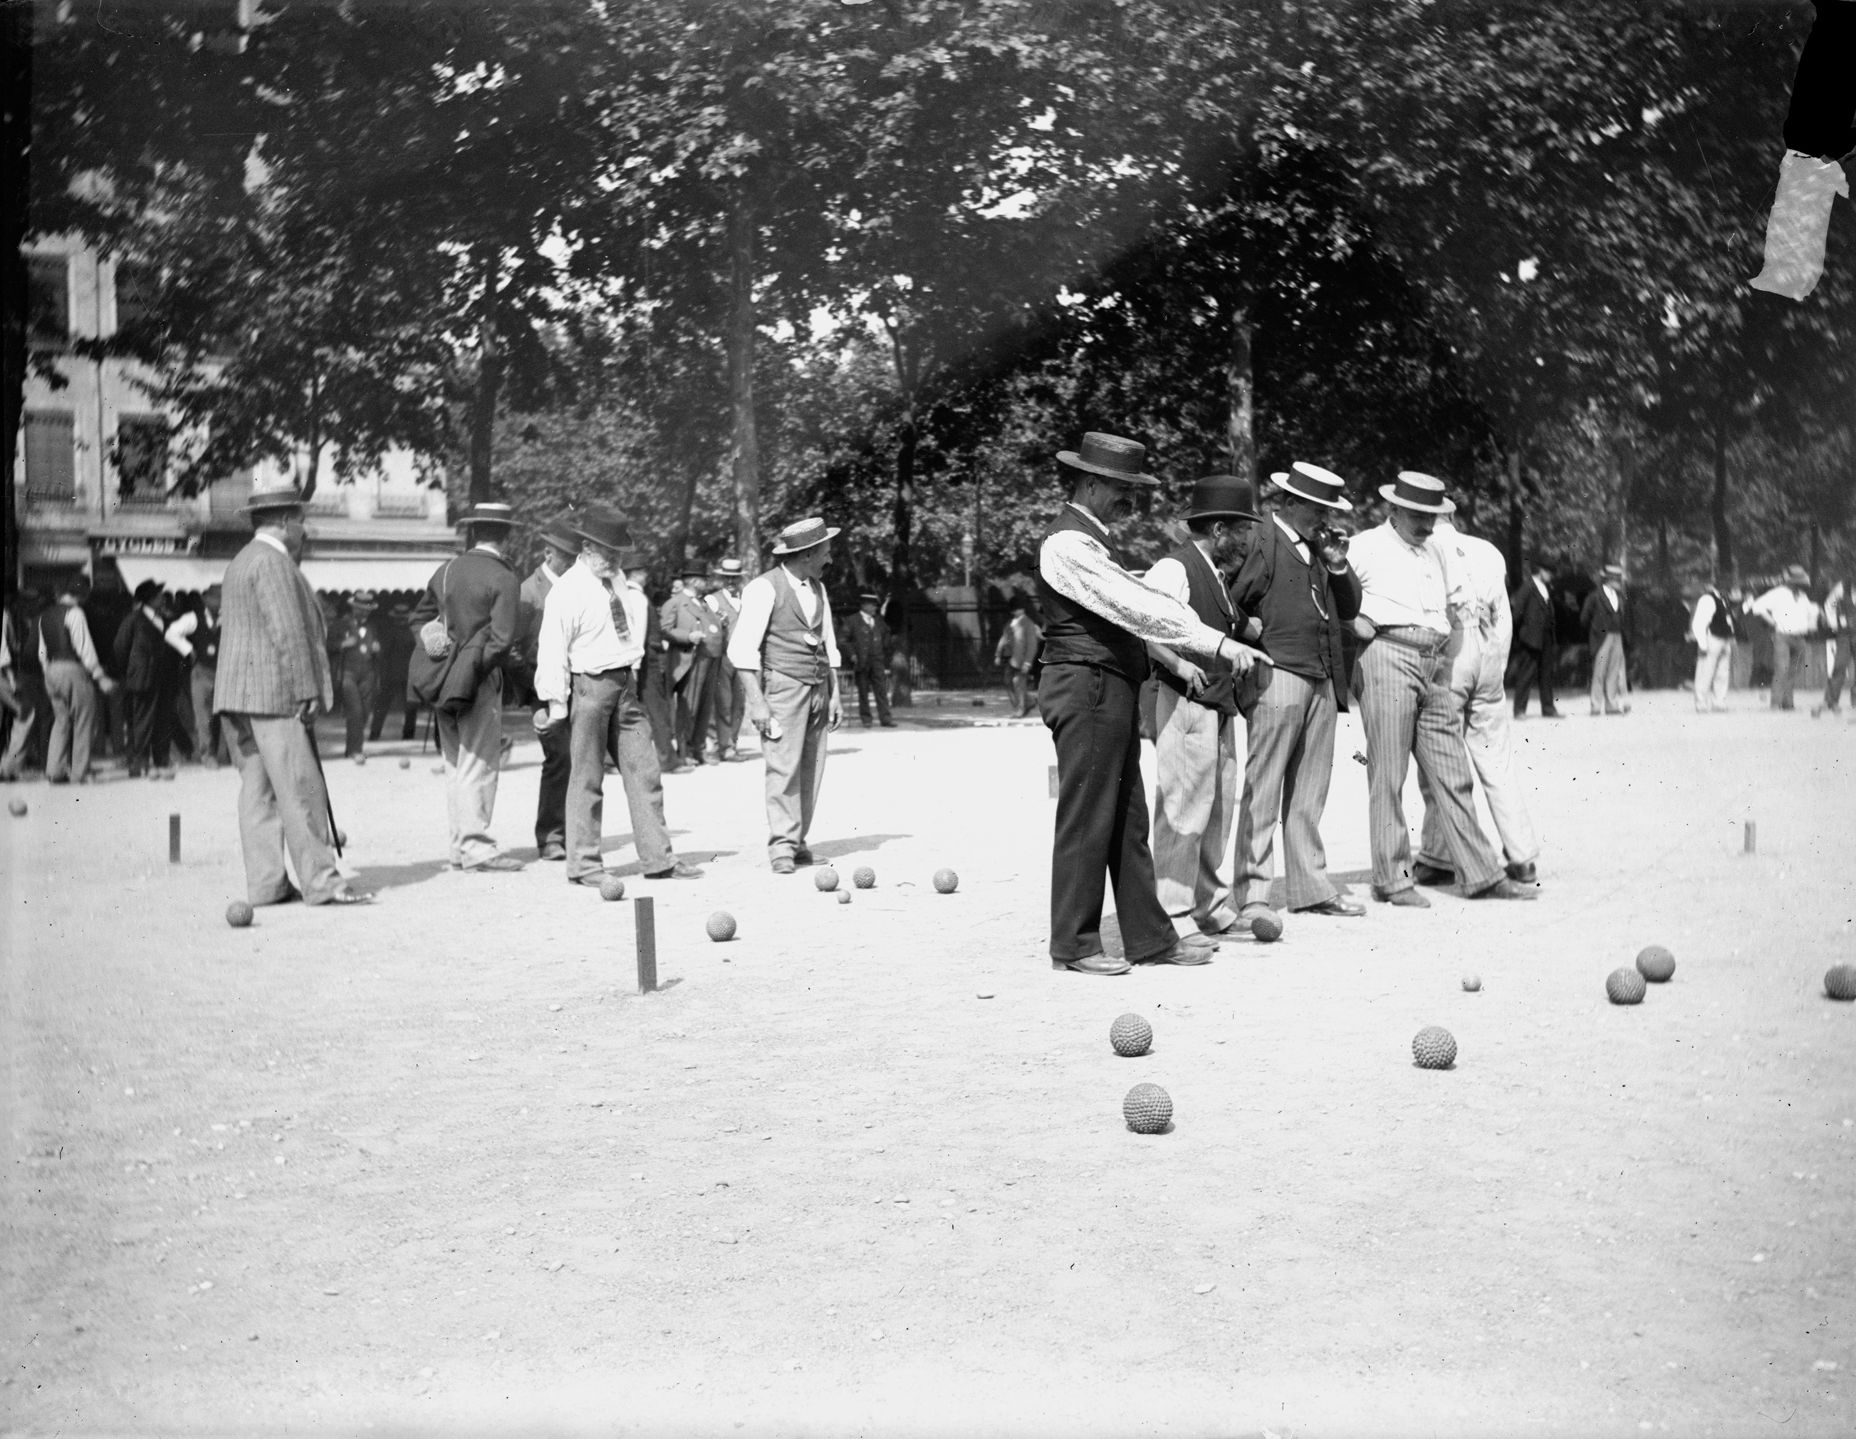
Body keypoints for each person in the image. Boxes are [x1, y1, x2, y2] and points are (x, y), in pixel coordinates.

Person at [1036, 432, 1258, 975]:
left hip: (1107, 687)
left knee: (1127, 818)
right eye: (1120, 487)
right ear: (1089, 482)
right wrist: (1217, 642)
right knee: (1088, 817)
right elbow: (1137, 606)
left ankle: (1150, 939)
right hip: (1084, 685)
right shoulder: (1067, 545)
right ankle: (1075, 942)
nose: (1130, 499)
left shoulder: (1093, 542)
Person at [1348, 471, 1535, 907]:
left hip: (1436, 661)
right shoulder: (1365, 547)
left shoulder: (1436, 549)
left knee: (1453, 771)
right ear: (1392, 509)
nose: (1426, 524)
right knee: (1389, 773)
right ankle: (1392, 880)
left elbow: (1452, 604)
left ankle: (1483, 874)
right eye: (1417, 514)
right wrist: (1349, 622)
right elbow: (1326, 591)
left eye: (1432, 515)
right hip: (1388, 655)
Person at [214, 486, 371, 906]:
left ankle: (267, 884)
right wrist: (304, 689)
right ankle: (322, 881)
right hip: (273, 693)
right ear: (285, 522)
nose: (304, 530)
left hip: (237, 694)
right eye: (301, 521)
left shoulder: (241, 561)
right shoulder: (273, 563)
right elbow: (288, 632)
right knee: (301, 788)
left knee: (258, 792)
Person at [1227, 464, 1365, 929]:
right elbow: (1229, 600)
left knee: (1309, 792)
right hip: (1277, 674)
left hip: (1323, 677)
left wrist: (1337, 563)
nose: (1325, 518)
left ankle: (1309, 888)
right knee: (1263, 788)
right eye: (1320, 509)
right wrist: (1247, 633)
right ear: (1292, 503)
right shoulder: (1259, 538)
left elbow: (1350, 609)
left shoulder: (1320, 548)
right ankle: (1252, 896)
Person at [534, 508, 699, 887]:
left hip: (626, 686)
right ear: (587, 547)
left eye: (620, 552)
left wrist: (635, 674)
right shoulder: (567, 590)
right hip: (589, 687)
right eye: (609, 551)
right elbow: (552, 649)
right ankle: (585, 865)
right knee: (587, 777)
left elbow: (627, 632)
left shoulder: (617, 580)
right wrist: (556, 703)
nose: (616, 559)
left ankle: (659, 859)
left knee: (646, 771)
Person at [1142, 474, 1267, 941]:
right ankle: (1172, 912)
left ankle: (1211, 906)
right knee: (1183, 806)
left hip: (1218, 704)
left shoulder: (1214, 574)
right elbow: (1147, 627)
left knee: (1216, 808)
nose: (1245, 539)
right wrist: (1176, 662)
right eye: (1239, 530)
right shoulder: (1173, 569)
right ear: (1217, 530)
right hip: (1185, 701)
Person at [1412, 514, 1541, 891]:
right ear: (1452, 516)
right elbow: (1501, 617)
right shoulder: (1488, 551)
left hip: (1452, 654)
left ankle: (1438, 856)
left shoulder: (1425, 549)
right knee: (1496, 759)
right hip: (1488, 655)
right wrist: (1496, 669)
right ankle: (1523, 856)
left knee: (1440, 757)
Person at [727, 517, 845, 875]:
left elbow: (829, 643)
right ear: (807, 555)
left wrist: (835, 694)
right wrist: (757, 702)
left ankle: (799, 842)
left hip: (818, 687)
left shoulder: (819, 589)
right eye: (825, 552)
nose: (829, 559)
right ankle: (782, 846)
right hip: (782, 687)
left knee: (812, 768)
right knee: (783, 766)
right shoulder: (763, 588)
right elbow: (742, 651)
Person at [409, 502, 523, 873]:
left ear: (473, 532)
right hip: (478, 677)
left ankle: (460, 845)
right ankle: (476, 848)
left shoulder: (446, 570)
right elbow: (502, 640)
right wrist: (474, 667)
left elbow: (419, 618)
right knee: (479, 761)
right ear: (506, 536)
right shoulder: (504, 577)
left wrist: (436, 642)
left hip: (442, 676)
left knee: (454, 762)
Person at [515, 516, 580, 861]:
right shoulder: (529, 591)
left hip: (578, 687)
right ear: (547, 553)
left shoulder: (578, 586)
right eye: (565, 556)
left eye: (575, 556)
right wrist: (533, 699)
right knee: (559, 759)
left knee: (578, 760)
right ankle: (551, 836)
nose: (571, 562)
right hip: (543, 691)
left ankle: (572, 834)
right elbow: (513, 650)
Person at [36, 574, 117, 784]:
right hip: (72, 668)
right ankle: (80, 773)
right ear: (83, 593)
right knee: (84, 720)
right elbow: (84, 648)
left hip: (51, 671)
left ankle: (54, 770)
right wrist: (100, 677)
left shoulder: (45, 615)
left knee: (61, 721)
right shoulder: (76, 613)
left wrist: (48, 671)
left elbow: (42, 651)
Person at [114, 579, 179, 778]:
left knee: (163, 721)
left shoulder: (167, 619)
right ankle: (139, 763)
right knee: (141, 722)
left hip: (164, 679)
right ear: (149, 599)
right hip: (142, 680)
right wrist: (131, 672)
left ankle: (161, 760)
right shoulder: (133, 619)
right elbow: (120, 648)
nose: (163, 598)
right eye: (159, 595)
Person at [659, 564, 720, 769]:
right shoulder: (675, 603)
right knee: (688, 707)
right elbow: (665, 630)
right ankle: (684, 752)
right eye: (703, 579)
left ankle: (698, 749)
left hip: (709, 659)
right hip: (690, 660)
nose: (706, 583)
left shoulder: (704, 603)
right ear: (694, 581)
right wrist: (688, 636)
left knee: (704, 708)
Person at [165, 585, 230, 766]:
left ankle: (222, 753)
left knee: (223, 715)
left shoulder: (228, 618)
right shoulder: (193, 618)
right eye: (215, 599)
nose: (218, 603)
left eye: (221, 599)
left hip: (223, 671)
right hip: (201, 671)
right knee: (203, 715)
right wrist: (187, 649)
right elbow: (171, 633)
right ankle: (207, 754)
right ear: (205, 600)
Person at [1748, 565, 1818, 711]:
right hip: (1783, 636)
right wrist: (1772, 621)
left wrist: (1813, 617)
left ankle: (1787, 702)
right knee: (1782, 669)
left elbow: (1811, 611)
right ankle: (1775, 703)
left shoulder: (1802, 596)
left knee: (1794, 671)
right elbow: (1757, 606)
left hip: (1800, 637)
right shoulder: (1778, 593)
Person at [0, 588, 48, 781]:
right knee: (26, 714)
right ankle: (9, 768)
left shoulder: (16, 617)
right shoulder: (5, 616)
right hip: (5, 674)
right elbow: (3, 651)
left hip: (15, 673)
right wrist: (12, 679)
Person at [332, 590, 384, 760]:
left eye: (366, 610)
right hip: (348, 672)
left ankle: (352, 748)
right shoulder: (342, 624)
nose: (363, 612)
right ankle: (356, 751)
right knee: (355, 710)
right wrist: (343, 644)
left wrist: (377, 649)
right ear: (353, 608)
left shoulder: (373, 626)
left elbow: (377, 650)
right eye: (360, 609)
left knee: (366, 711)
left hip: (368, 673)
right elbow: (328, 645)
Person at [705, 558, 747, 760]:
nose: (731, 582)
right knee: (723, 702)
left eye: (735, 578)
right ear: (721, 578)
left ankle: (732, 742)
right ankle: (722, 745)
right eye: (727, 578)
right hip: (723, 657)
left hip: (745, 657)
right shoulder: (712, 600)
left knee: (739, 703)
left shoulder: (747, 598)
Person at [1508, 559, 1561, 718]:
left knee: (1546, 674)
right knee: (1526, 674)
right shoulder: (1528, 587)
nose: (1551, 576)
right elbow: (1517, 613)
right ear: (1541, 571)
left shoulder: (1545, 587)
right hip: (1530, 638)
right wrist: (1523, 634)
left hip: (1545, 636)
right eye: (1549, 572)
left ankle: (1548, 708)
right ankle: (1519, 710)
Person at [1580, 564, 1630, 715]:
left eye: (1618, 578)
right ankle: (1596, 706)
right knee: (1599, 672)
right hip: (1602, 637)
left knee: (1614, 672)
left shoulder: (1619, 597)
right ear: (1608, 580)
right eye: (1616, 579)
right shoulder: (1595, 596)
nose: (1618, 581)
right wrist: (1595, 631)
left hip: (1617, 636)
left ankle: (1611, 705)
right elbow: (1584, 618)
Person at [842, 592, 896, 727]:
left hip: (877, 661)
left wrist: (885, 648)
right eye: (872, 605)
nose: (874, 608)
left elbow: (886, 636)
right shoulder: (852, 620)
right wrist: (852, 654)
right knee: (863, 691)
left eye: (875, 606)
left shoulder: (878, 620)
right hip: (861, 661)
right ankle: (866, 719)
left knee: (881, 690)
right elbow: (843, 640)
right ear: (864, 605)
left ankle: (886, 718)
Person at [370, 600, 418, 744]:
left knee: (410, 705)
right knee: (384, 705)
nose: (401, 619)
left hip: (405, 673)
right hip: (392, 673)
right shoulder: (396, 631)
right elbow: (382, 653)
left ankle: (407, 734)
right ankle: (375, 733)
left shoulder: (410, 631)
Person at [1689, 578, 1737, 713]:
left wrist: (1731, 635)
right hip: (1712, 639)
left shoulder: (1723, 599)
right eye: (1728, 586)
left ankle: (1719, 702)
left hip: (1724, 639)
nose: (1730, 589)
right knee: (1705, 672)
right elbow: (1699, 623)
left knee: (1722, 673)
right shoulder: (1708, 599)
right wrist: (1702, 644)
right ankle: (1701, 703)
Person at [994, 597, 1042, 717]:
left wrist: (1028, 662)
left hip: (1022, 660)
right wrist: (998, 654)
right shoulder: (1010, 623)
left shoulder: (1028, 624)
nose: (1016, 612)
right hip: (1011, 659)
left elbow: (1032, 645)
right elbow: (1004, 639)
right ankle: (1029, 701)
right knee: (1008, 682)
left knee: (1019, 684)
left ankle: (1020, 709)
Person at [1814, 569, 1853, 718]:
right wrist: (1833, 623)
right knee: (1839, 666)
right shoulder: (1842, 588)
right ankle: (1830, 700)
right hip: (1844, 634)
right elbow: (1830, 604)